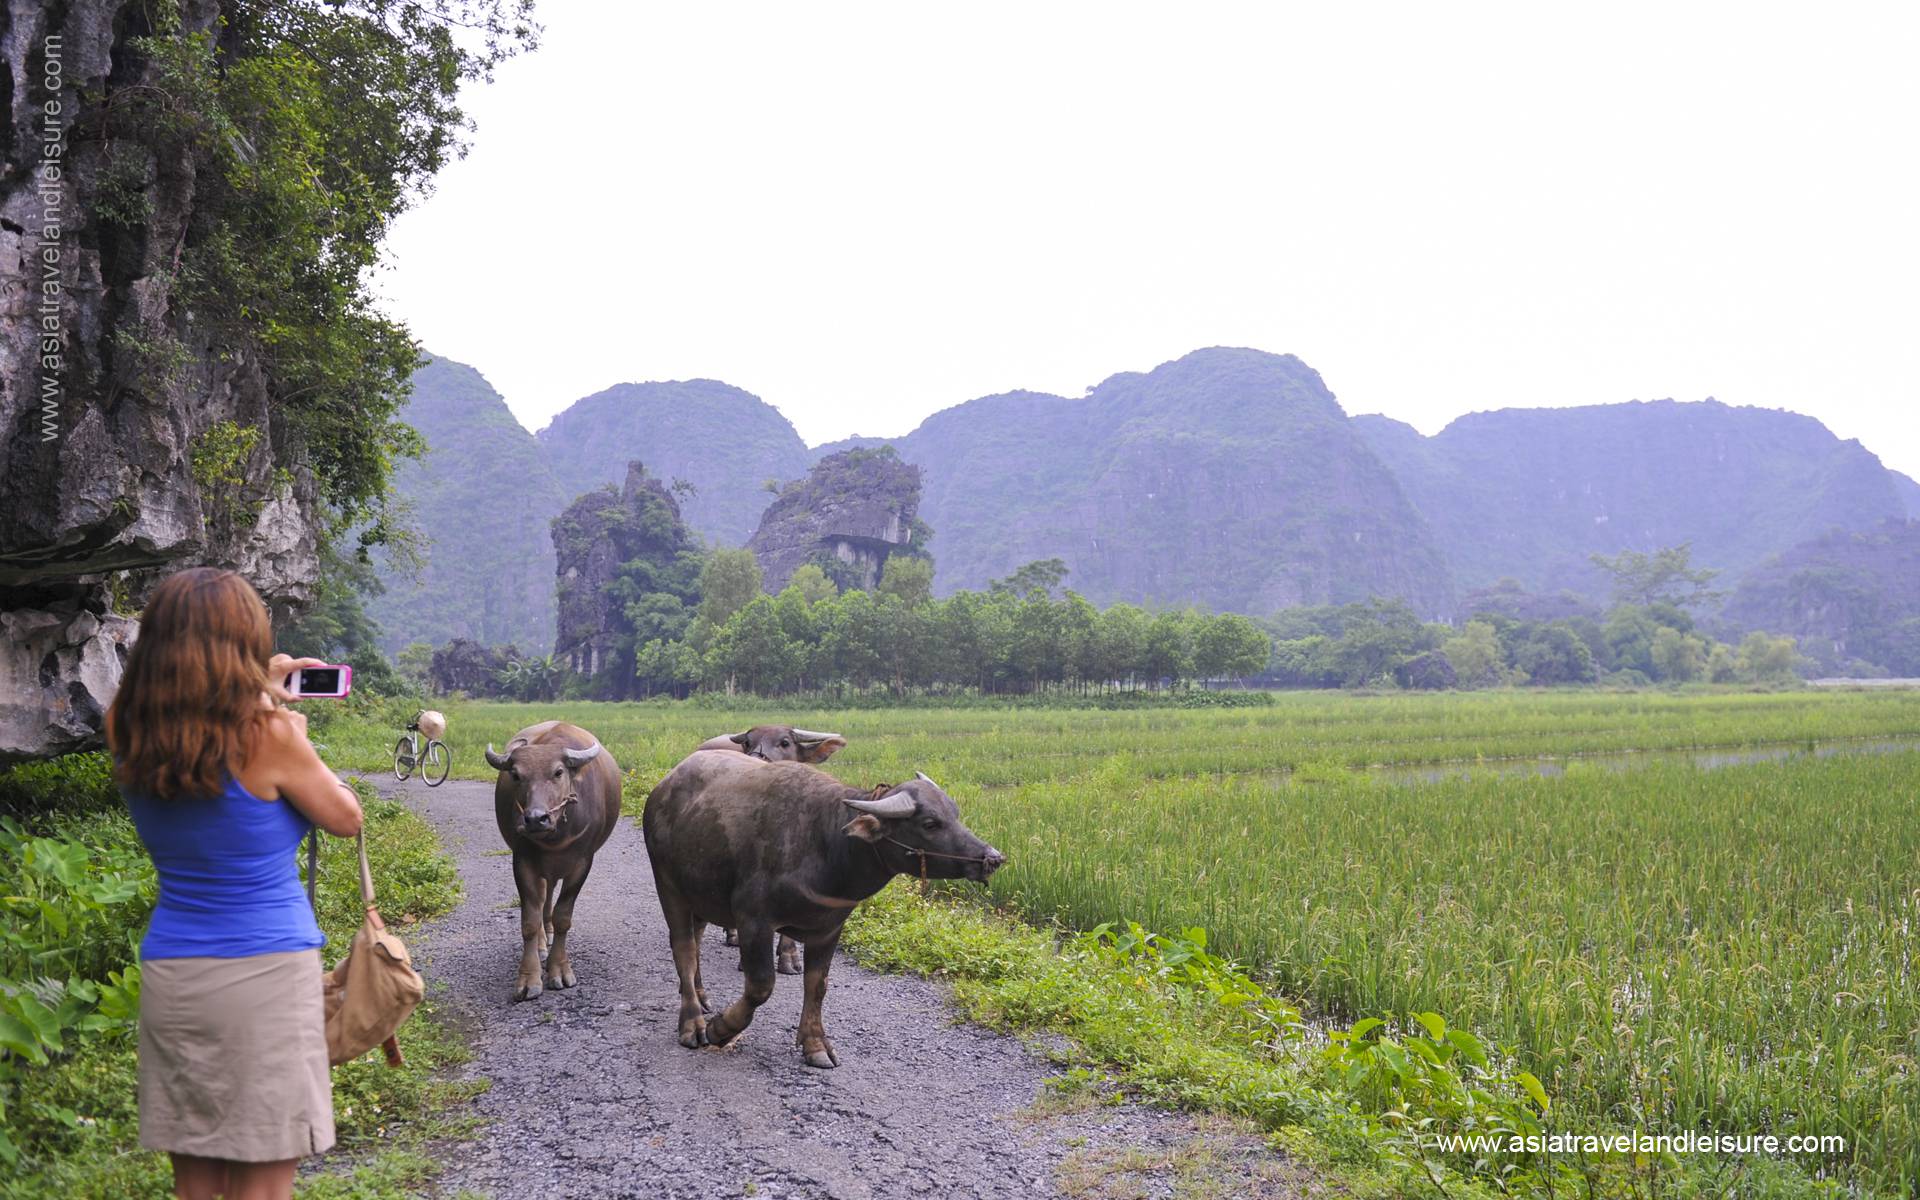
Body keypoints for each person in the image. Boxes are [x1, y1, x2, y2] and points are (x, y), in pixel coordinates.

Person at [105, 567, 363, 1200]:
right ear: (244, 642)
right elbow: (345, 818)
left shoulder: (125, 724)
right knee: (264, 1179)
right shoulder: (269, 734)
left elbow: (205, 746)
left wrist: (265, 701)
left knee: (195, 1179)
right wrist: (284, 719)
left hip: (175, 972)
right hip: (267, 974)